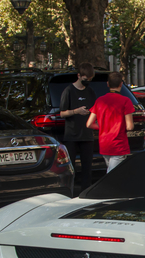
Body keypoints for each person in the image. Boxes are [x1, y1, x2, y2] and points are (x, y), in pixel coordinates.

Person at [86, 72, 134, 172]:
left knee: (112, 170)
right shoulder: (125, 101)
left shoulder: (100, 100)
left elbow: (89, 124)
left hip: (104, 143)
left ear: (108, 84)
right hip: (119, 144)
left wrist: (103, 127)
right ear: (121, 84)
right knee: (113, 174)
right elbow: (129, 126)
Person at [59, 62, 96, 190]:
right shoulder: (69, 91)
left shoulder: (90, 91)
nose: (87, 82)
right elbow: (62, 113)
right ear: (79, 76)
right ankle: (70, 190)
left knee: (87, 167)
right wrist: (76, 111)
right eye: (85, 79)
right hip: (72, 135)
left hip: (87, 135)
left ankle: (86, 190)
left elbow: (95, 109)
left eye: (90, 80)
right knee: (71, 167)